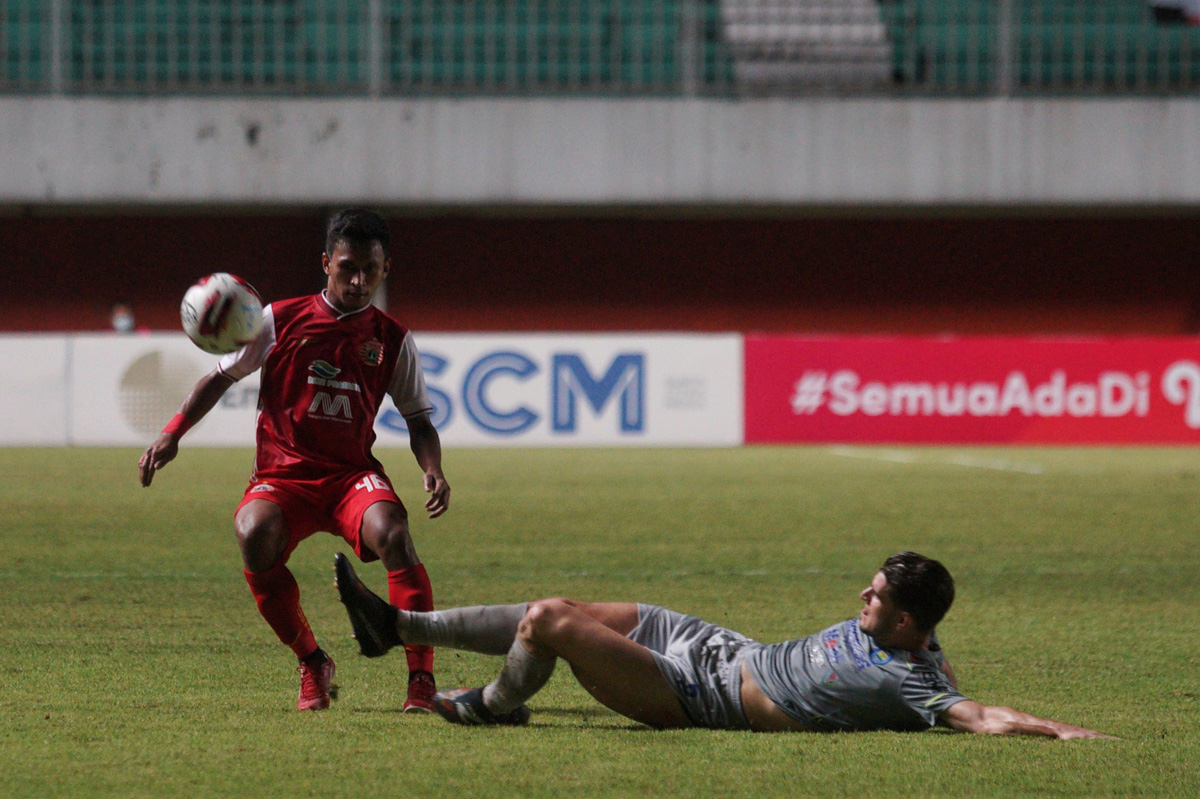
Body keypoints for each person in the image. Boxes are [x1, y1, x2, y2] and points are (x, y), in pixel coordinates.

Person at [139, 208, 450, 713]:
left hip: (351, 477)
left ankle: (421, 678)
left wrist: (432, 469)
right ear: (326, 263)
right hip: (283, 477)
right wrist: (172, 433)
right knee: (252, 533)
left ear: (385, 269)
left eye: (370, 270)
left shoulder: (393, 338)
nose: (358, 280)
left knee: (394, 533)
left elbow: (418, 420)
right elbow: (219, 378)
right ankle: (312, 661)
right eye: (347, 267)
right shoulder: (278, 320)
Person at [334, 550, 1112, 738]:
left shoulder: (915, 680)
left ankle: (493, 703)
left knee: (548, 619)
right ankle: (398, 627)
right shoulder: (917, 642)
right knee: (571, 604)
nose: (862, 596)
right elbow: (944, 669)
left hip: (700, 694)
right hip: (715, 643)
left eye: (876, 597)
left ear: (907, 623)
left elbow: (979, 715)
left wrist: (1063, 729)